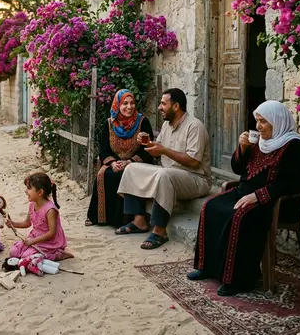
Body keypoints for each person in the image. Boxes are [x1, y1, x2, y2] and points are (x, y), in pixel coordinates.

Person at [187, 100, 300, 296]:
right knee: (211, 206)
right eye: (257, 121)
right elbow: (238, 169)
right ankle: (208, 267)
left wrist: (258, 196)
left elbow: (292, 183)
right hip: (245, 192)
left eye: (263, 122)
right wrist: (243, 149)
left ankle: (239, 280)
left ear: (277, 122)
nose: (258, 127)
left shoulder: (293, 146)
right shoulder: (260, 142)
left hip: (276, 201)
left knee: (241, 215)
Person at [117, 88, 212, 250]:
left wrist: (163, 151)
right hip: (168, 173)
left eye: (163, 103)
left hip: (196, 179)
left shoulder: (195, 126)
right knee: (132, 168)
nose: (159, 107)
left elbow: (194, 162)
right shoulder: (167, 125)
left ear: (175, 106)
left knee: (164, 175)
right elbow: (157, 150)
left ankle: (160, 230)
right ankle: (139, 219)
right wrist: (146, 144)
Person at [85, 89, 155, 228]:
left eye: (132, 103)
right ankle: (99, 217)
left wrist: (130, 162)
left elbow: (147, 150)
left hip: (135, 164)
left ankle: (121, 221)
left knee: (124, 175)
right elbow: (103, 150)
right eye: (125, 104)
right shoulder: (109, 123)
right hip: (115, 162)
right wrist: (112, 163)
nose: (129, 107)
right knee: (104, 174)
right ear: (117, 105)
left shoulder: (142, 121)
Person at [7, 172, 67, 261]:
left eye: (29, 188)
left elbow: (52, 233)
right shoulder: (32, 205)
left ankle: (58, 254)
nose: (25, 191)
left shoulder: (50, 210)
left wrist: (32, 241)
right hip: (35, 237)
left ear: (40, 192)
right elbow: (27, 223)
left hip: (49, 241)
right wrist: (13, 223)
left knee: (27, 257)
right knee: (14, 252)